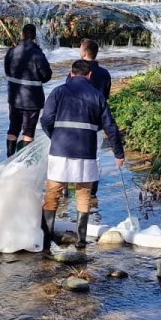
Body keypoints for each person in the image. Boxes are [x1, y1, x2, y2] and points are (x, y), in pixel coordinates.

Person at [40, 59, 125, 251]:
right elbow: (110, 127)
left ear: (71, 73)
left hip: (59, 150)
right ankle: (80, 240)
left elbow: (46, 119)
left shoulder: (58, 92)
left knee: (53, 194)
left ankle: (45, 240)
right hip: (86, 151)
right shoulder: (97, 95)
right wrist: (118, 153)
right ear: (89, 75)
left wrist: (54, 136)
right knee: (84, 194)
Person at [3, 23, 52, 158]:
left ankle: (9, 156)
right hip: (32, 99)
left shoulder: (11, 51)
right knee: (28, 131)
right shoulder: (38, 54)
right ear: (35, 36)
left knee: (13, 127)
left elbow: (7, 71)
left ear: (22, 35)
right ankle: (25, 161)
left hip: (14, 97)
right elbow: (47, 75)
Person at [79, 38, 113, 218]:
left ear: (84, 52)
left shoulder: (76, 70)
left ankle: (76, 187)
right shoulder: (105, 73)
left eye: (80, 48)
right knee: (95, 157)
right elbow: (105, 96)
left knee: (74, 154)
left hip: (77, 120)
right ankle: (92, 191)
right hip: (97, 122)